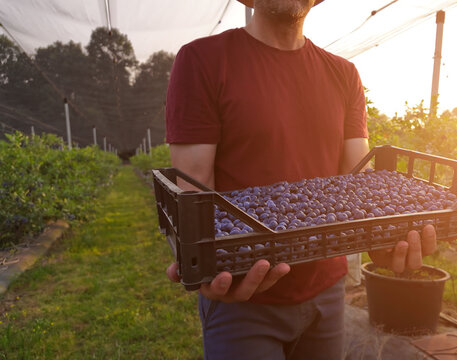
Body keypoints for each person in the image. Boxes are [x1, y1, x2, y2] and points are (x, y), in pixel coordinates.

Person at [164, 0, 437, 359]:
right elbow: (195, 192)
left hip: (327, 289)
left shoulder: (344, 74)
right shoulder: (203, 60)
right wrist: (204, 264)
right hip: (245, 295)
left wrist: (386, 238)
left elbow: (359, 184)